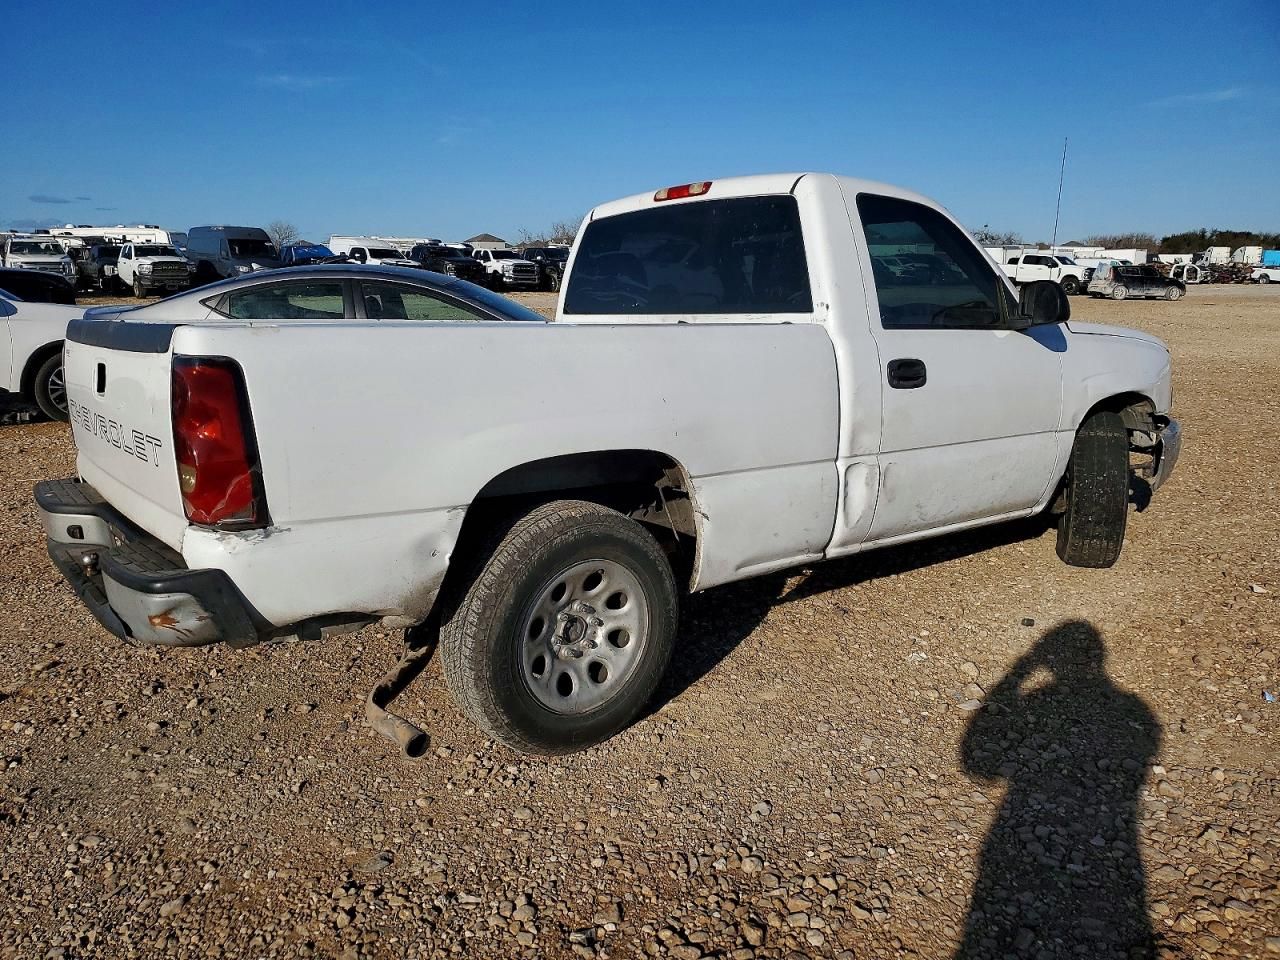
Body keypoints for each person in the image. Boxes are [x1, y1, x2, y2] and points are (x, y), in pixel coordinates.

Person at [956, 621, 1160, 959]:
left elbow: (978, 766)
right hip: (1116, 849)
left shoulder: (1039, 700)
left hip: (1018, 833)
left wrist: (1016, 675)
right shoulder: (1135, 710)